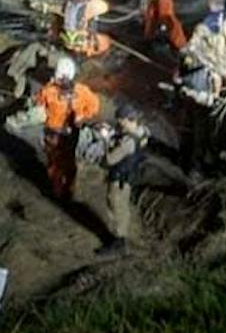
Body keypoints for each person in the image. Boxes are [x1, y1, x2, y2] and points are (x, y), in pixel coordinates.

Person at [36, 56, 101, 201]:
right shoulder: (82, 91)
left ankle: (57, 190)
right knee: (69, 161)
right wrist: (82, 116)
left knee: (54, 161)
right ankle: (69, 189)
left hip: (53, 133)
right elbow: (95, 107)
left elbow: (39, 103)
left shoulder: (49, 91)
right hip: (72, 133)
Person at [96, 107, 150, 254]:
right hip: (129, 176)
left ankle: (117, 242)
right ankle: (122, 236)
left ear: (128, 120)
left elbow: (109, 159)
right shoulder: (142, 132)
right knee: (123, 208)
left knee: (115, 207)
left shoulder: (128, 142)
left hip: (119, 178)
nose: (119, 124)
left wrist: (106, 140)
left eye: (121, 121)